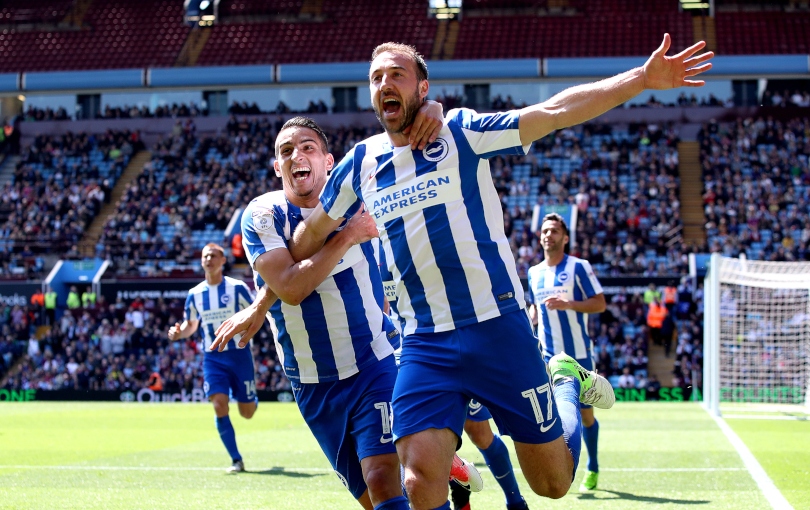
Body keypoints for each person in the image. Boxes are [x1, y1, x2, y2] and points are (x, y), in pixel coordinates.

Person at [286, 36, 711, 509]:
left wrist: (642, 78)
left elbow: (554, 112)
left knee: (552, 483)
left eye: (397, 74)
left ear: (423, 88)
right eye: (376, 77)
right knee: (419, 480)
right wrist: (281, 240)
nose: (384, 83)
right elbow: (308, 234)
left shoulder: (461, 133)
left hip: (496, 326)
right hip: (424, 342)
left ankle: (566, 380)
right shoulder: (359, 165)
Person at [212, 115, 479, 510]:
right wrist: (349, 236)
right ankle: (444, 465)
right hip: (311, 380)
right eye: (286, 151)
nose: (296, 155)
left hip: (373, 361)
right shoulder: (263, 215)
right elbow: (291, 287)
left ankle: (431, 458)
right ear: (277, 167)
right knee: (372, 499)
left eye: (307, 147)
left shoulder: (361, 199)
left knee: (384, 479)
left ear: (328, 162)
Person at [527, 213, 607, 493]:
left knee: (585, 416)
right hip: (547, 357)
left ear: (565, 238)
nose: (548, 235)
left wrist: (569, 303)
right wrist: (530, 317)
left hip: (578, 356)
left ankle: (592, 465)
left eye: (554, 231)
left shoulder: (578, 267)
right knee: (554, 417)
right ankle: (561, 469)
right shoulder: (534, 273)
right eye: (544, 231)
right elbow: (536, 306)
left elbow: (600, 304)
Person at [167, 242, 257, 474]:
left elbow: (255, 312)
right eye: (205, 256)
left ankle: (249, 397)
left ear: (223, 260)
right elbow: (190, 325)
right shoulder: (195, 294)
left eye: (214, 256)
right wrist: (178, 333)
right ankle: (236, 459)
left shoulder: (237, 288)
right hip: (213, 357)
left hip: (239, 355)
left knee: (247, 413)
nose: (209, 259)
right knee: (218, 404)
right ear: (201, 261)